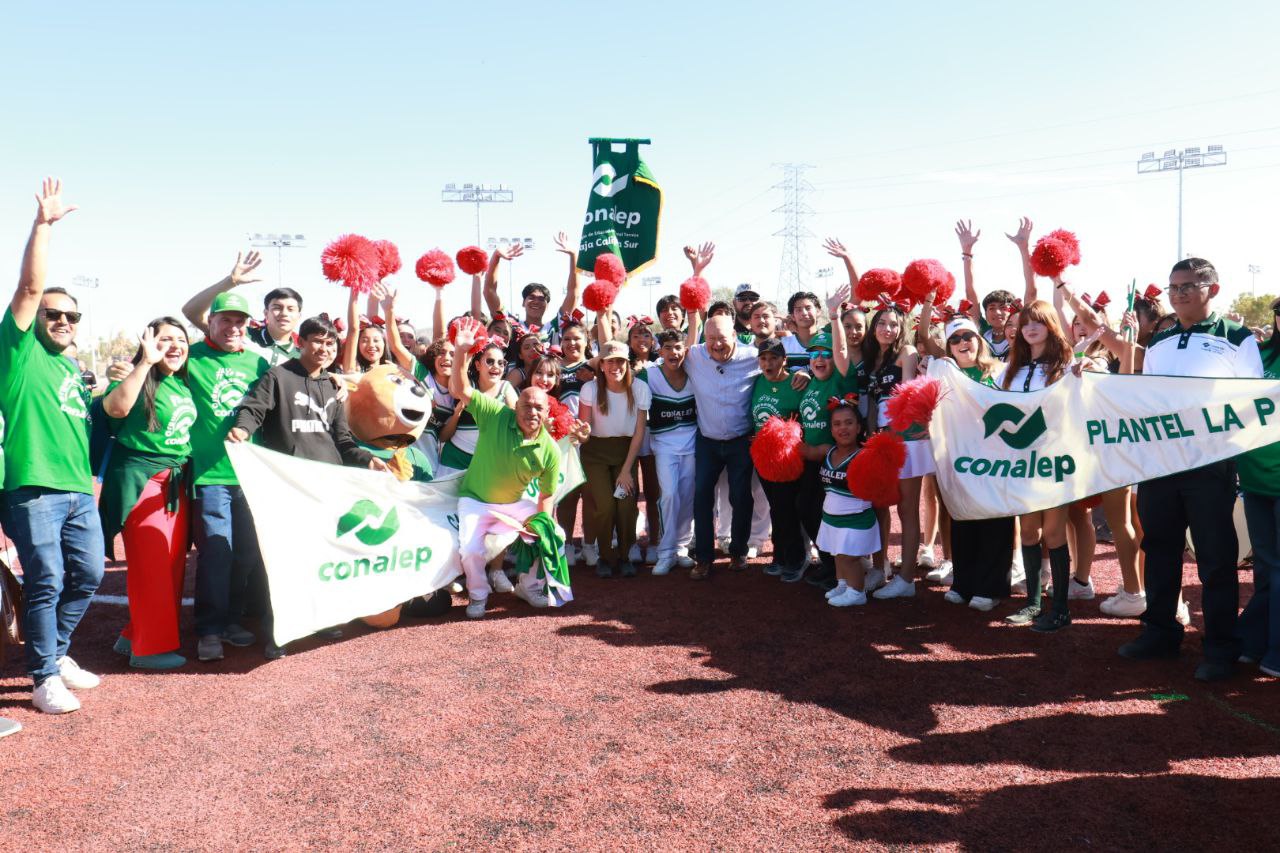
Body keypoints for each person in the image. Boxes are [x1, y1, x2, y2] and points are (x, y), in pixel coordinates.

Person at [1119, 258, 1263, 682]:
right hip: (1161, 464)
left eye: (1187, 286)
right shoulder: (1160, 341)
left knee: (1215, 559)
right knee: (1160, 550)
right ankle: (1160, 633)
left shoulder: (1237, 337)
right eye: (1173, 287)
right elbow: (1145, 399)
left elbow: (1252, 400)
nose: (1178, 294)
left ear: (1212, 289)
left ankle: (1220, 647)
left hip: (1210, 465)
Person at [0, 178, 105, 714]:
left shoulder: (70, 368)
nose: (62, 320)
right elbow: (29, 285)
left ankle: (56, 653)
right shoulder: (19, 353)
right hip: (32, 488)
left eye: (72, 316)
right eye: (53, 313)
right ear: (36, 317)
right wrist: (43, 225)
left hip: (78, 490)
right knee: (47, 578)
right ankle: (42, 677)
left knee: (88, 574)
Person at [229, 314, 388, 658]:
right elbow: (253, 410)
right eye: (316, 341)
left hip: (327, 487)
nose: (324, 348)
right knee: (283, 561)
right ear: (300, 342)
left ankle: (321, 619)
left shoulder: (333, 386)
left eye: (330, 343)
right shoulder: (278, 376)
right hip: (287, 486)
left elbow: (343, 441)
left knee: (322, 557)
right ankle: (278, 631)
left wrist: (367, 459)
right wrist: (242, 428)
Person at [99, 318, 197, 670]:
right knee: (151, 566)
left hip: (174, 482)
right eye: (165, 339)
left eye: (181, 339)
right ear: (148, 343)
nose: (175, 346)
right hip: (143, 480)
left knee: (170, 564)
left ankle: (133, 635)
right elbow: (116, 409)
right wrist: (144, 363)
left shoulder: (181, 383)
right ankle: (149, 650)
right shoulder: (136, 376)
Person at [448, 318, 562, 618]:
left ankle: (529, 586)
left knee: (552, 534)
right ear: (515, 406)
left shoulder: (549, 449)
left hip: (512, 504)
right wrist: (460, 351)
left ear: (547, 412)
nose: (532, 412)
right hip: (475, 500)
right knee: (470, 550)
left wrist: (541, 526)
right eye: (526, 406)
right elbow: (460, 388)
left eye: (538, 408)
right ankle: (478, 595)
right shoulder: (495, 413)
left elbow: (546, 496)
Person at [184, 287, 270, 662]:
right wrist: (230, 280)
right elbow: (187, 310)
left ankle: (232, 619)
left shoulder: (258, 364)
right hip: (210, 474)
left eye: (240, 321)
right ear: (211, 322)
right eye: (226, 320)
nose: (233, 327)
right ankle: (209, 628)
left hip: (250, 475)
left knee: (246, 554)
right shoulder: (191, 357)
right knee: (217, 553)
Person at [999, 299, 1076, 632]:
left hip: (1055, 460)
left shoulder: (1067, 365)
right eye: (1026, 323)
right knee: (1029, 530)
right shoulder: (1010, 368)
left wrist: (1086, 370)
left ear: (1051, 326)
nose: (1031, 328)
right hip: (1021, 462)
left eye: (1038, 322)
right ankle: (1033, 603)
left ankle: (1060, 609)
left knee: (1055, 532)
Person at [684, 271, 760, 579]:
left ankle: (739, 552)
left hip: (741, 440)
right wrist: (696, 272)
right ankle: (703, 557)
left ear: (735, 336)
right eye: (711, 339)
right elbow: (690, 324)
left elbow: (781, 366)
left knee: (741, 497)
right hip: (708, 440)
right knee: (702, 496)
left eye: (723, 339)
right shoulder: (695, 356)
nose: (716, 345)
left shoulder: (753, 357)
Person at [937, 316, 1013, 611]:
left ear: (979, 340)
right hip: (961, 459)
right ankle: (963, 583)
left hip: (995, 460)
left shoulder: (1000, 371)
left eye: (967, 336)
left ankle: (990, 588)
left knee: (994, 521)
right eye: (955, 339)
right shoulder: (944, 374)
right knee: (963, 518)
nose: (962, 343)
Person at [859, 302, 931, 600]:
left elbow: (907, 396)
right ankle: (880, 567)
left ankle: (906, 579)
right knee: (879, 503)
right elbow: (872, 402)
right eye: (882, 323)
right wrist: (873, 436)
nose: (887, 329)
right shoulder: (871, 358)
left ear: (901, 329)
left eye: (893, 324)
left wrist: (893, 434)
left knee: (906, 508)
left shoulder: (907, 352)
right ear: (873, 326)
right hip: (881, 438)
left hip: (906, 438)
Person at [579, 340, 652, 578]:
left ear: (627, 364)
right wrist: (580, 433)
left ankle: (624, 555)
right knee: (605, 505)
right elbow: (585, 429)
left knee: (626, 505)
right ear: (601, 365)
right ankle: (605, 556)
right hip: (595, 454)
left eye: (620, 361)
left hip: (625, 454)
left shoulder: (639, 388)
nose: (615, 367)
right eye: (609, 362)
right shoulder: (589, 389)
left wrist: (626, 470)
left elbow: (639, 432)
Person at [1239, 296, 1280, 678]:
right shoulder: (1258, 355)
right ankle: (1255, 644)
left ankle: (1265, 647)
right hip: (1254, 477)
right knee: (1266, 568)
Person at [815, 400, 882, 606]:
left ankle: (856, 592)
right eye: (837, 424)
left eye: (849, 423)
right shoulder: (827, 451)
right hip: (831, 518)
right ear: (831, 430)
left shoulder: (864, 455)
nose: (843, 428)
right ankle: (843, 584)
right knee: (837, 553)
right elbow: (805, 451)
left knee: (848, 557)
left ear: (859, 427)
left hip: (856, 519)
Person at [182, 254, 303, 367]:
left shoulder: (303, 356)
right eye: (277, 308)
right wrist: (231, 281)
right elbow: (191, 312)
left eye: (291, 309)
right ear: (266, 313)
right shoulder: (239, 334)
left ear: (299, 316)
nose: (284, 313)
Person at [749, 336, 806, 579]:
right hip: (762, 459)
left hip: (787, 459)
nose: (768, 363)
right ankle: (780, 556)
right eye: (763, 358)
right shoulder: (756, 382)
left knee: (786, 509)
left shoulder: (795, 383)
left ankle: (796, 559)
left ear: (784, 360)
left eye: (773, 358)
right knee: (777, 508)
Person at [645, 329, 698, 576]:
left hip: (692, 444)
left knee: (687, 497)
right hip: (664, 446)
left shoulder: (695, 372)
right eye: (667, 348)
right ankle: (665, 552)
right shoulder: (649, 374)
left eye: (678, 347)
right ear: (660, 350)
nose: (673, 352)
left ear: (685, 350)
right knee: (669, 495)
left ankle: (681, 548)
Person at [483, 231, 581, 345]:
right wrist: (496, 256)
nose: (536, 301)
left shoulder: (555, 326)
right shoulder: (511, 324)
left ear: (547, 306)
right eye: (531, 297)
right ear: (523, 303)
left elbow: (573, 293)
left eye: (541, 299)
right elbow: (489, 291)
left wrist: (574, 255)